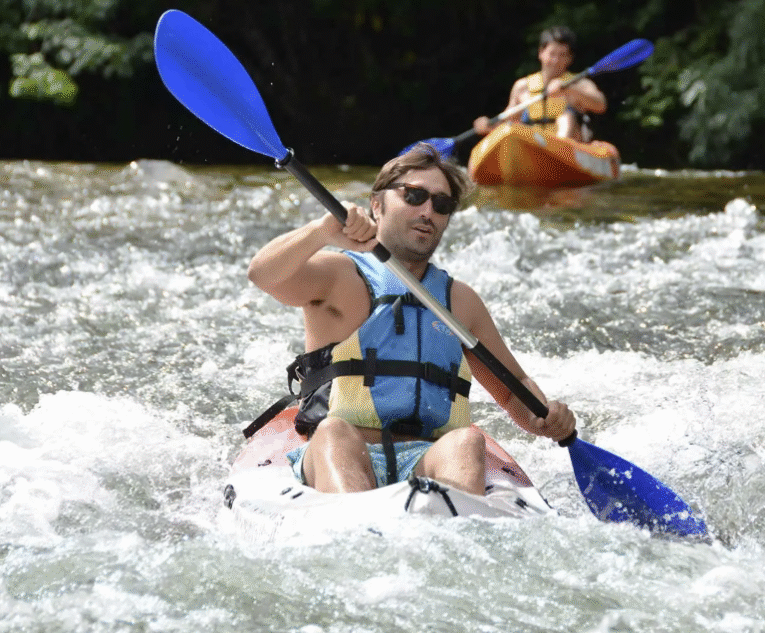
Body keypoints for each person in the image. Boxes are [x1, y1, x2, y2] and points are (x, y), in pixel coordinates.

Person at [247, 145, 576, 495]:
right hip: (345, 449)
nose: (427, 212)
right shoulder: (340, 276)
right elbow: (262, 275)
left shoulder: (460, 301)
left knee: (466, 441)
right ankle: (352, 517)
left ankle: (455, 520)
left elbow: (512, 389)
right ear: (377, 205)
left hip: (428, 456)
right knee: (334, 432)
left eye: (442, 204)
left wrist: (543, 416)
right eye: (414, 196)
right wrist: (321, 232)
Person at [473, 25, 607, 142]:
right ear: (541, 53)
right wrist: (489, 125)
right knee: (516, 128)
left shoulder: (579, 84)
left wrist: (569, 89)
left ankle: (557, 148)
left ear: (570, 59)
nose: (556, 60)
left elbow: (601, 105)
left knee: (566, 117)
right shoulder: (522, 87)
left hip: (567, 150)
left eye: (562, 55)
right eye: (552, 54)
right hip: (533, 149)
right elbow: (508, 121)